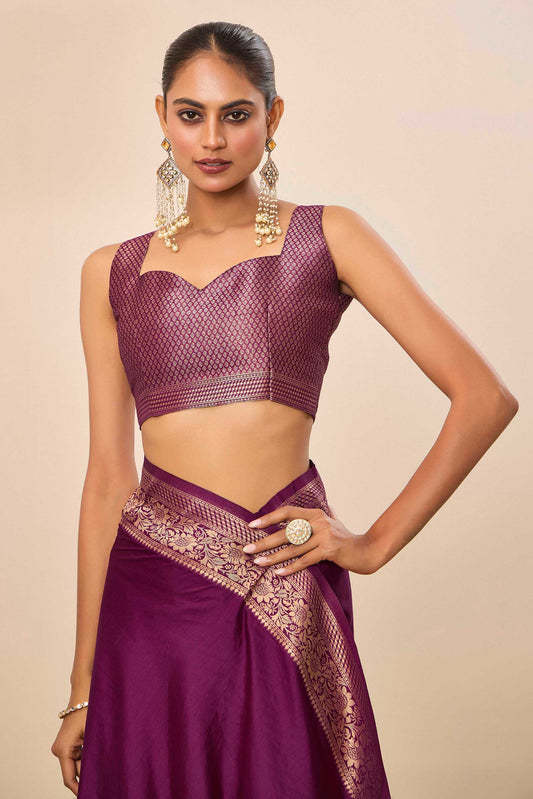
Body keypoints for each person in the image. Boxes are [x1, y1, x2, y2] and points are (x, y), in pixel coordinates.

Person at [50, 20, 519, 799]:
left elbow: (483, 397)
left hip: (280, 582)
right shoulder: (112, 271)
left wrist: (371, 544)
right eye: (190, 114)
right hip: (148, 604)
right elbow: (106, 481)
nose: (211, 139)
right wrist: (83, 686)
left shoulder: (325, 237)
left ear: (272, 116)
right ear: (161, 115)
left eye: (235, 114)